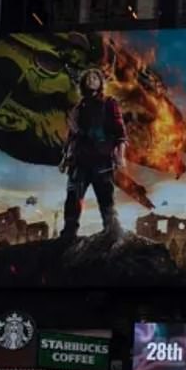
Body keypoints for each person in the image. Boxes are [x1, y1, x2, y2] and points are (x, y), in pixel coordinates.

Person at [59, 67, 126, 243]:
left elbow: (120, 132)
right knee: (73, 198)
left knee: (106, 198)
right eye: (87, 77)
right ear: (83, 84)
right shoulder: (78, 109)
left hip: (102, 159)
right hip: (79, 160)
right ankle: (68, 233)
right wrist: (65, 158)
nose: (91, 79)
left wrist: (120, 155)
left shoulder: (110, 103)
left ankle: (112, 231)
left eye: (95, 77)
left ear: (100, 82)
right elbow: (72, 136)